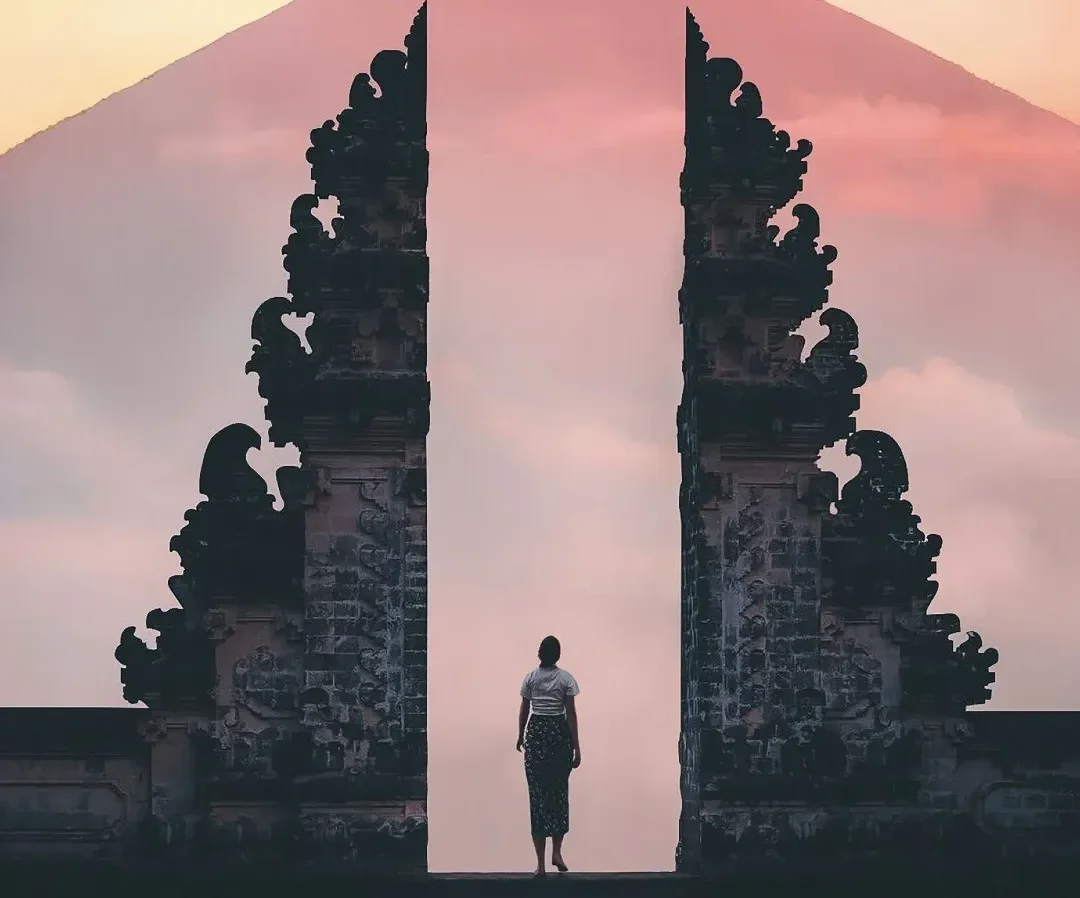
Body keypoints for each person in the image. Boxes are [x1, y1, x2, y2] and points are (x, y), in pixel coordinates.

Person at [516, 635, 581, 876]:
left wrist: (520, 735)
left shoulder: (530, 678)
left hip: (536, 734)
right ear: (558, 655)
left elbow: (524, 709)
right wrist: (577, 746)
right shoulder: (565, 679)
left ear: (539, 654)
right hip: (557, 735)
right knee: (558, 794)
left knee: (538, 797)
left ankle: (540, 865)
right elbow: (571, 714)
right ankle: (557, 851)